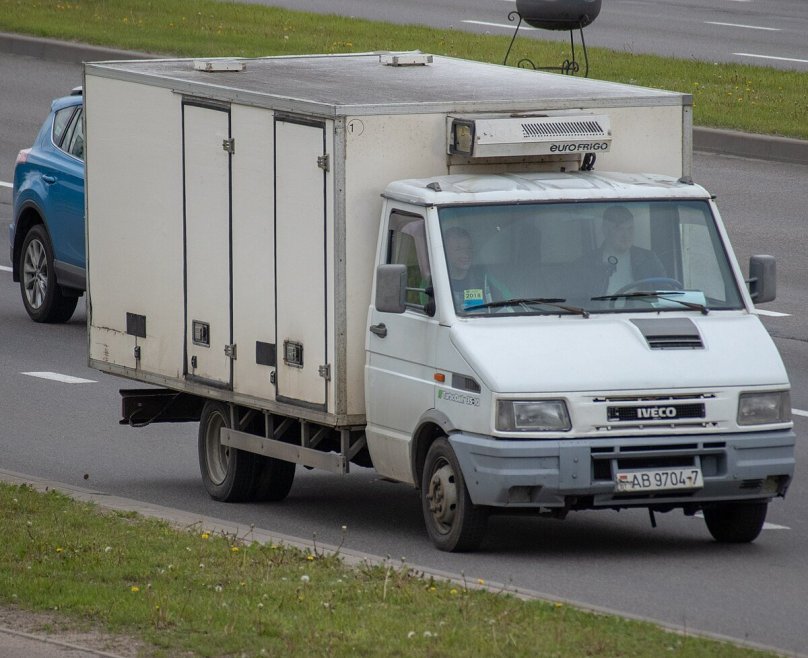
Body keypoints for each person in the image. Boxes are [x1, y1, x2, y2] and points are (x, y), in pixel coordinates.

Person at [587, 205, 665, 295]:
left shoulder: (649, 259)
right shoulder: (587, 263)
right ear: (605, 229)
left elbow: (666, 294)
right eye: (619, 229)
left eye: (630, 228)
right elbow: (581, 302)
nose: (626, 235)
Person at [443, 226, 506, 311]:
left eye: (468, 248)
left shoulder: (484, 279)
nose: (466, 254)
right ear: (445, 252)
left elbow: (506, 305)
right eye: (458, 249)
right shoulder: (439, 281)